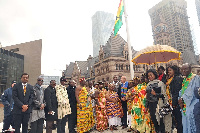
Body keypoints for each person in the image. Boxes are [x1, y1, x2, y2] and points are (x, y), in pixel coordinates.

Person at [178, 63, 200, 133]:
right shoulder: (184, 79)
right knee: (186, 126)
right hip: (185, 106)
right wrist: (180, 98)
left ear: (190, 69)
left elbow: (193, 91)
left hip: (193, 104)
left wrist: (182, 99)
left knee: (193, 126)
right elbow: (182, 91)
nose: (183, 71)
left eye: (185, 69)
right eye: (182, 69)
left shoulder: (195, 78)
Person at [166, 65, 183, 133]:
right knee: (175, 120)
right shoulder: (169, 78)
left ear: (174, 70)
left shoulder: (177, 78)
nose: (168, 72)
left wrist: (174, 103)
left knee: (179, 121)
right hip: (170, 102)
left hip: (175, 103)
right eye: (168, 71)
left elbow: (177, 91)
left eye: (170, 70)